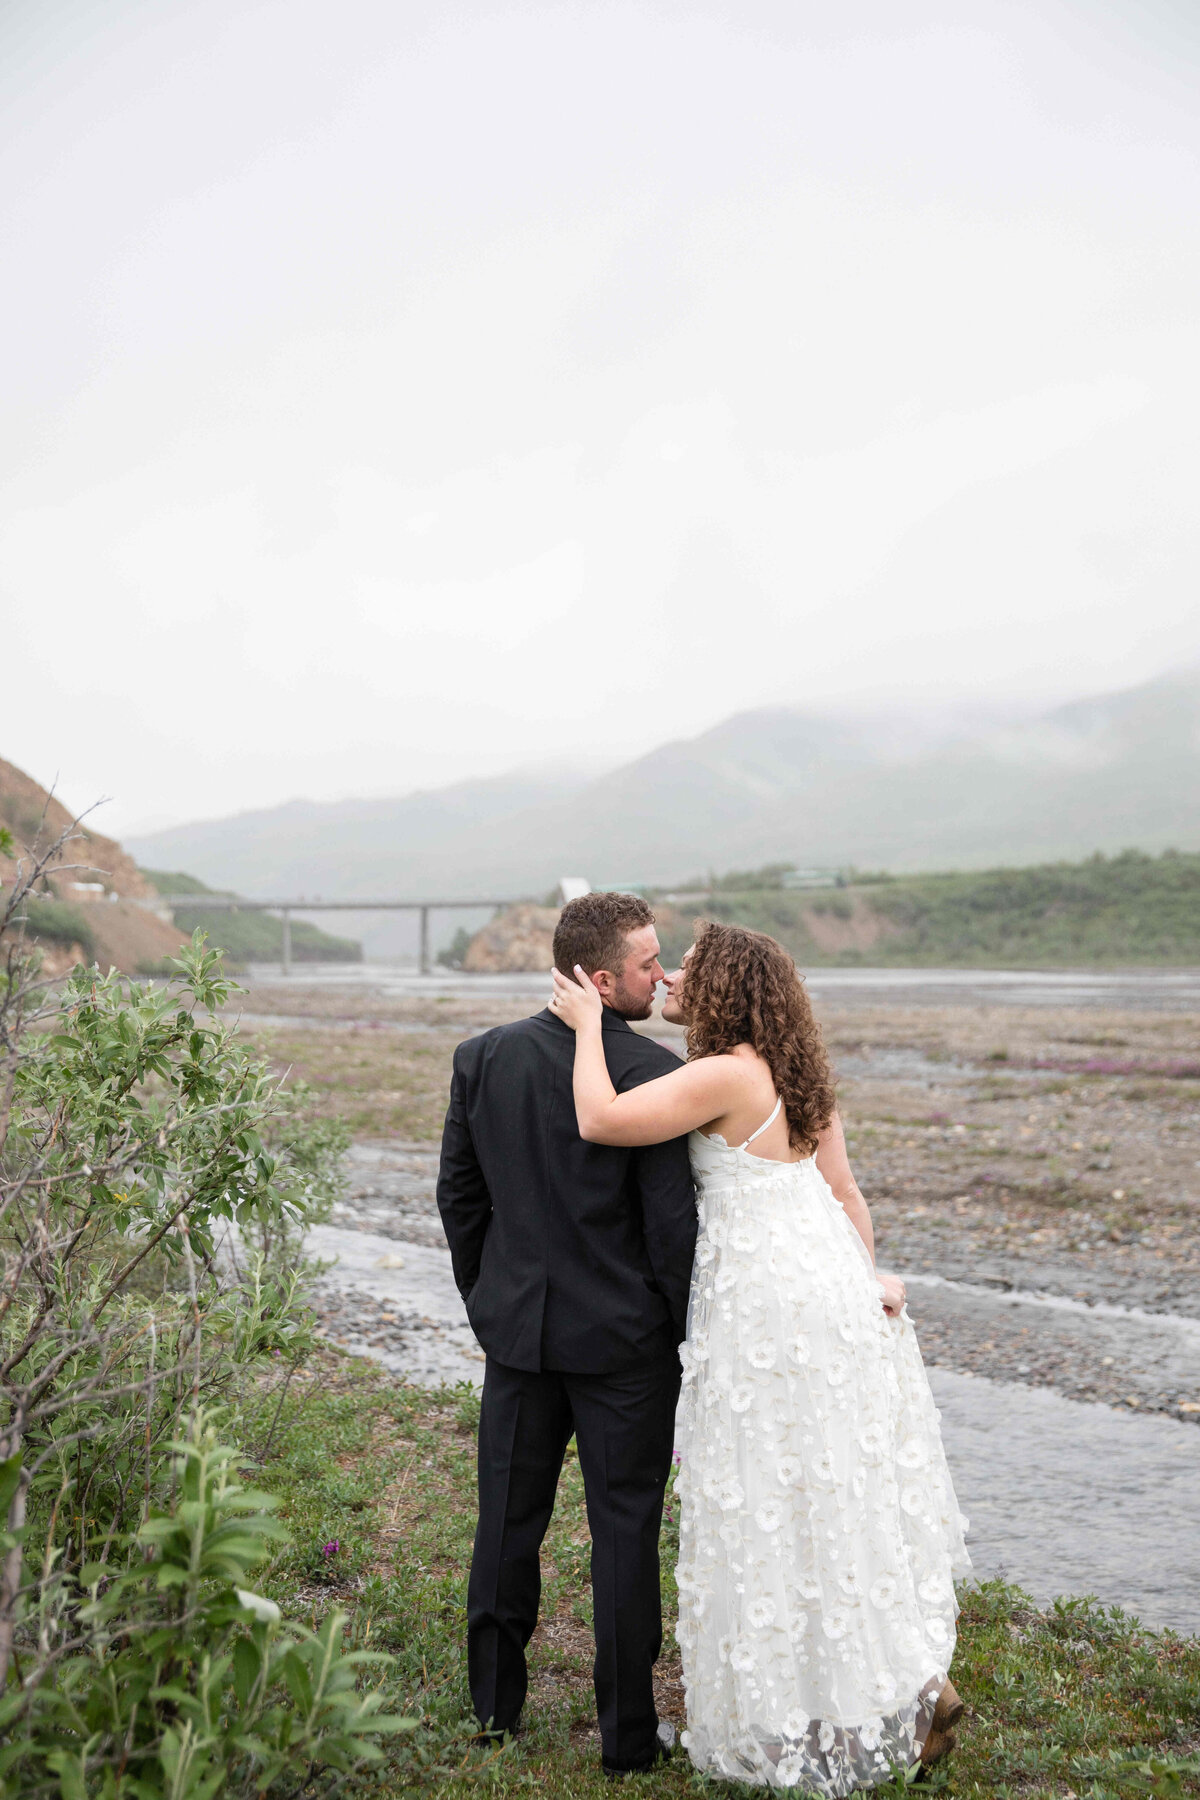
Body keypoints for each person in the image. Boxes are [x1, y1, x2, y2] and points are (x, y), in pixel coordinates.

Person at [549, 921, 970, 1795]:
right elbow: (846, 1195)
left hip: (767, 1309)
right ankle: (911, 1685)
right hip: (827, 1294)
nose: (669, 982)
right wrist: (866, 1281)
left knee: (775, 1498)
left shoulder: (724, 1074)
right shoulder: (798, 1076)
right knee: (831, 1498)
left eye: (687, 973)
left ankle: (828, 1709)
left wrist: (589, 1027)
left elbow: (600, 1118)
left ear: (726, 991)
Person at [436, 892, 698, 1778]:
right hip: (625, 1347)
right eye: (647, 963)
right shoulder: (654, 1074)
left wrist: (491, 1301)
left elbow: (460, 1202)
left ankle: (490, 1713)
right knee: (624, 1534)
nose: (660, 975)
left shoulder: (484, 1059)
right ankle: (628, 1743)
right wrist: (678, 1331)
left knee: (506, 1523)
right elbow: (671, 1233)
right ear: (598, 978)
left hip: (519, 1341)